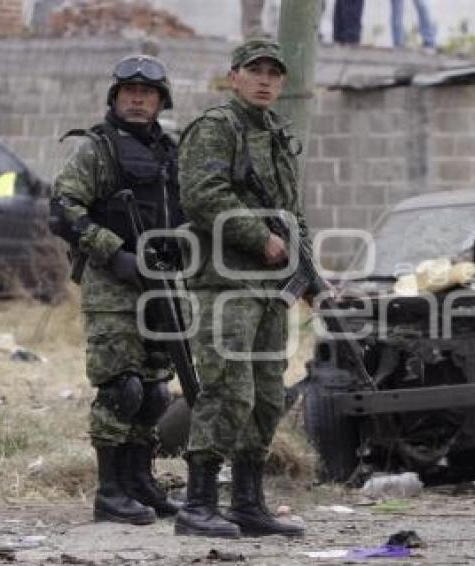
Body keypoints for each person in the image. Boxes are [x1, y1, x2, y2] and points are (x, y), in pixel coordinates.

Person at [174, 38, 309, 539]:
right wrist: (259, 237)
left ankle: (248, 503)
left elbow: (293, 214)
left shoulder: (277, 134)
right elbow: (201, 195)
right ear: (234, 76)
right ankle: (197, 504)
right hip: (225, 284)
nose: (265, 80)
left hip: (271, 290)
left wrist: (312, 274)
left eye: (274, 73)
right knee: (228, 391)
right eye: (255, 70)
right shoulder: (217, 128)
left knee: (269, 396)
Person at [49, 55, 183, 524]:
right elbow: (63, 208)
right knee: (120, 388)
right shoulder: (97, 149)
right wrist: (113, 252)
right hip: (113, 284)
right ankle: (109, 493)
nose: (137, 99)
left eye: (146, 94)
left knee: (153, 391)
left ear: (160, 101)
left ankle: (139, 482)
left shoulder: (171, 151)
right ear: (115, 97)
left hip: (162, 282)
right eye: (128, 92)